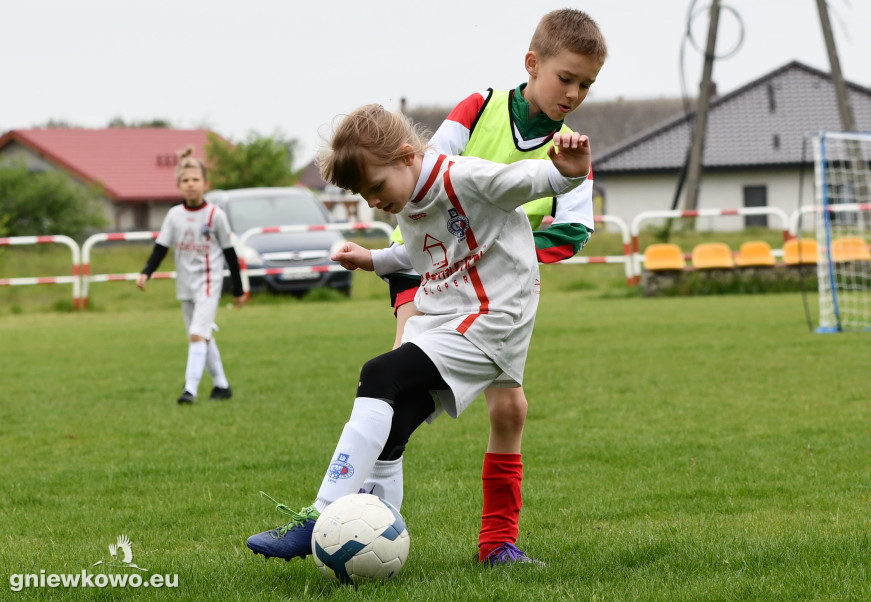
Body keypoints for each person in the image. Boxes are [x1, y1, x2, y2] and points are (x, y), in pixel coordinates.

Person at [245, 104, 592, 564]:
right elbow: (415, 250)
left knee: (379, 373)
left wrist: (568, 173)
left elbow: (528, 180)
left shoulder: (463, 177)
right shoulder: (408, 197)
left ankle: (319, 515)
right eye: (362, 194)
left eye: (375, 187)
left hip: (491, 323)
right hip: (449, 320)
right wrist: (373, 260)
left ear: (407, 156)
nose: (373, 201)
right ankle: (372, 540)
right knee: (396, 423)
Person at [336, 8, 608, 566]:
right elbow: (421, 181)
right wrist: (401, 268)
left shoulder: (571, 149)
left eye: (586, 84)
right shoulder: (477, 108)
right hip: (427, 269)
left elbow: (575, 230)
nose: (574, 93)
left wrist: (500, 242)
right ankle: (360, 518)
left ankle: (496, 543)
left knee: (509, 411)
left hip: (499, 290)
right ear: (532, 65)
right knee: (397, 388)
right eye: (567, 78)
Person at [136, 147, 246, 404]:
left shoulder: (215, 216)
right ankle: (222, 386)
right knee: (202, 335)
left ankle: (190, 390)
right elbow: (161, 248)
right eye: (185, 180)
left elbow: (230, 255)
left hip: (209, 282)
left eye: (195, 180)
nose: (191, 184)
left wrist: (239, 290)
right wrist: (146, 272)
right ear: (178, 185)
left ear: (205, 183)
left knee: (197, 335)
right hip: (185, 284)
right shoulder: (174, 215)